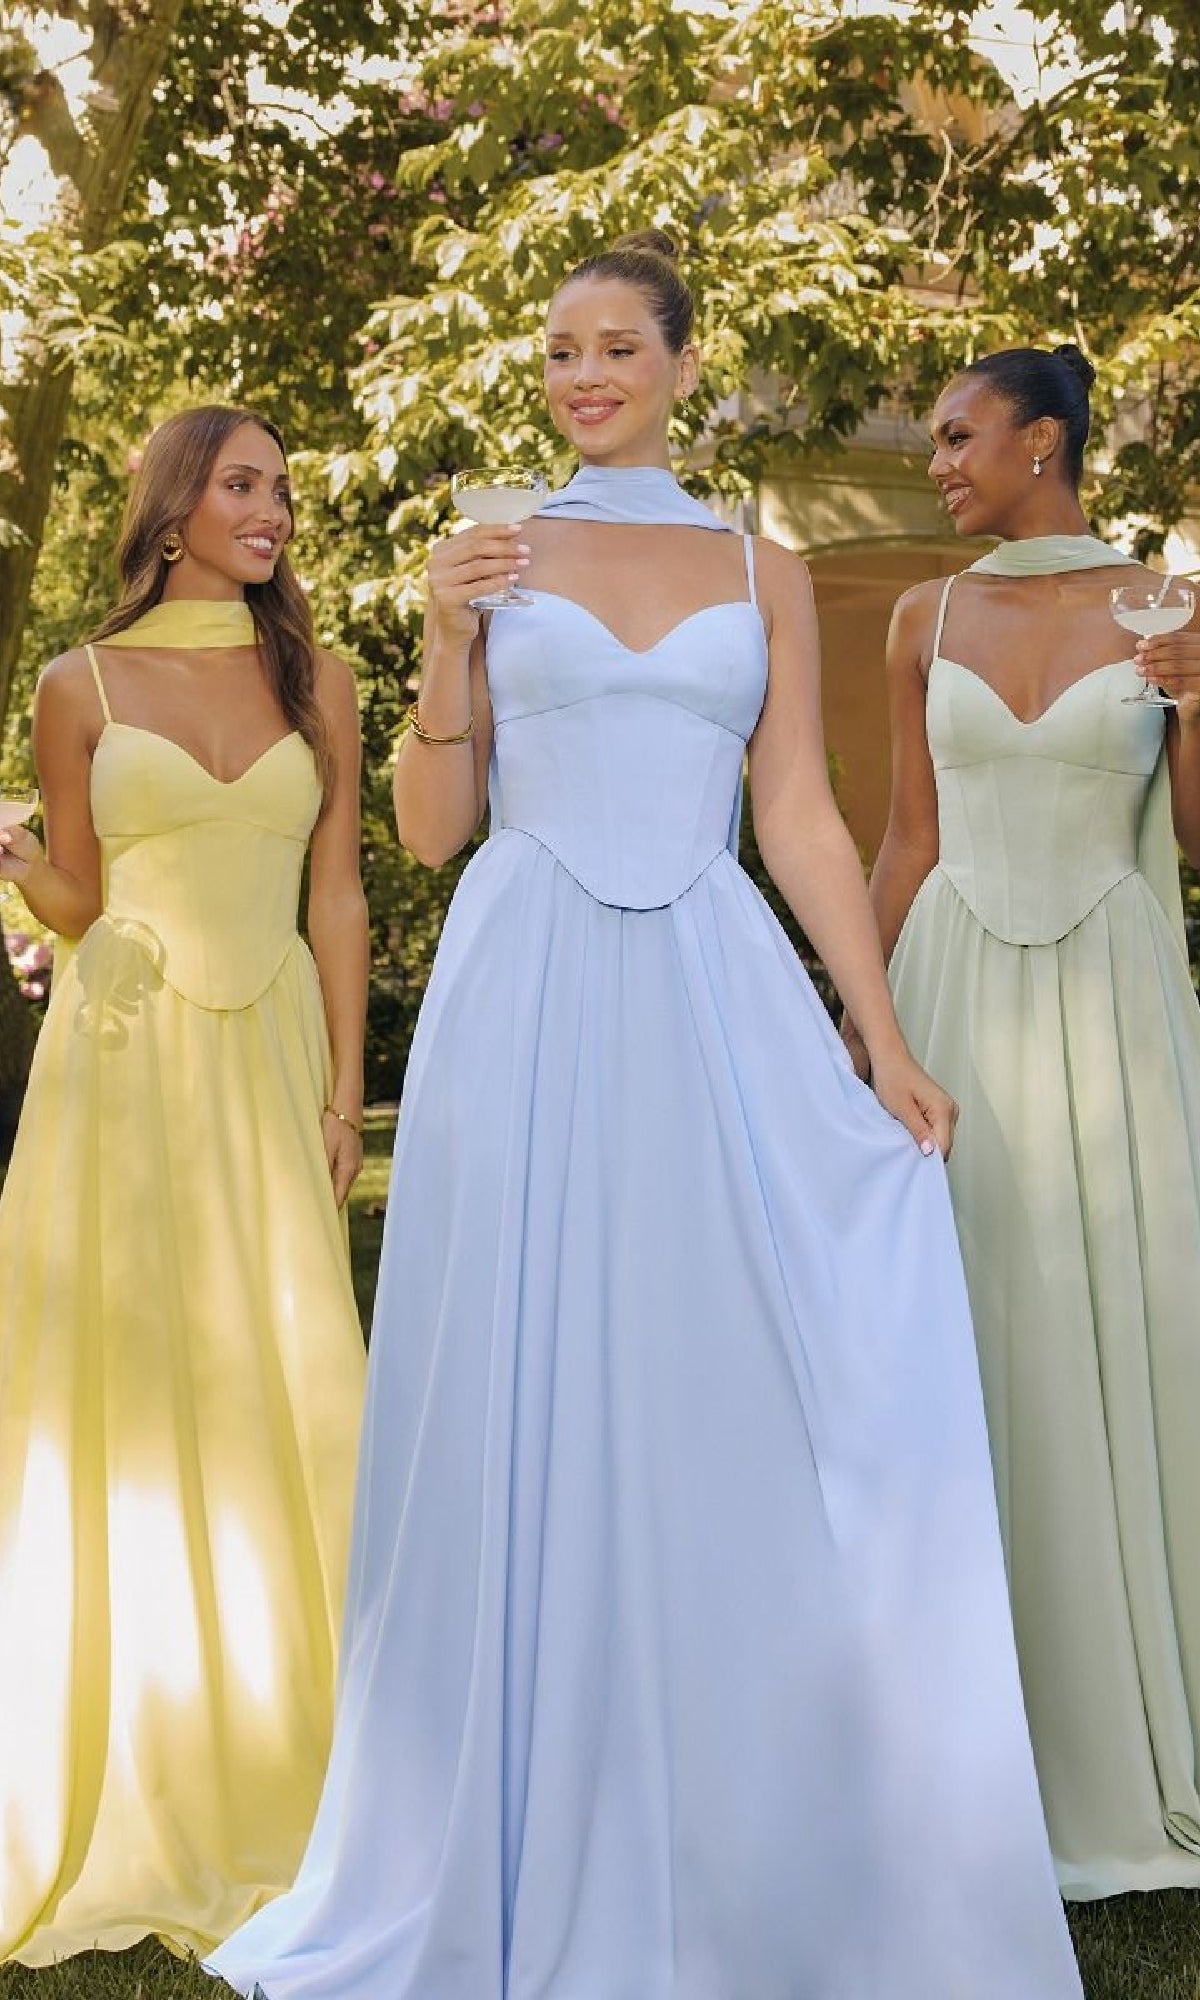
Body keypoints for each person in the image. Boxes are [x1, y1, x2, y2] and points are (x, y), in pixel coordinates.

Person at [208, 237, 1082, 2000]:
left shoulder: (759, 569)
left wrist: (878, 1030)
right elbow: (434, 826)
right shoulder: (488, 534)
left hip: (703, 979)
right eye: (560, 348)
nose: (584, 373)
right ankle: (497, 1815)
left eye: (618, 347)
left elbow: (803, 821)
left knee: (711, 1370)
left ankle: (731, 1802)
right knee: (514, 1373)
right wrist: (450, 638)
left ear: (686, 365)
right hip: (522, 987)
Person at [0, 406, 369, 1964]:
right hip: (124, 1061)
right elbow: (80, 893)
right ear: (172, 511)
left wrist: (351, 1088)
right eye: (244, 485)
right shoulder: (75, 685)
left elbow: (339, 890)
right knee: (131, 1388)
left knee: (292, 1387)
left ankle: (316, 1751)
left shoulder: (321, 682)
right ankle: (137, 1742)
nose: (274, 509)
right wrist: (20, 868)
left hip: (273, 1051)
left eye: (282, 487)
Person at [851, 341, 1200, 1900]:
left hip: (1116, 1000)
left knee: (1122, 1319)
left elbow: (1191, 837)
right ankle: (949, 1744)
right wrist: (858, 1031)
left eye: (957, 435)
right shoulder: (926, 618)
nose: (937, 460)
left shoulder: (1173, 609)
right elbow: (906, 841)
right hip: (959, 998)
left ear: (1044, 444)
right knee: (967, 1333)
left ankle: (1125, 1731)